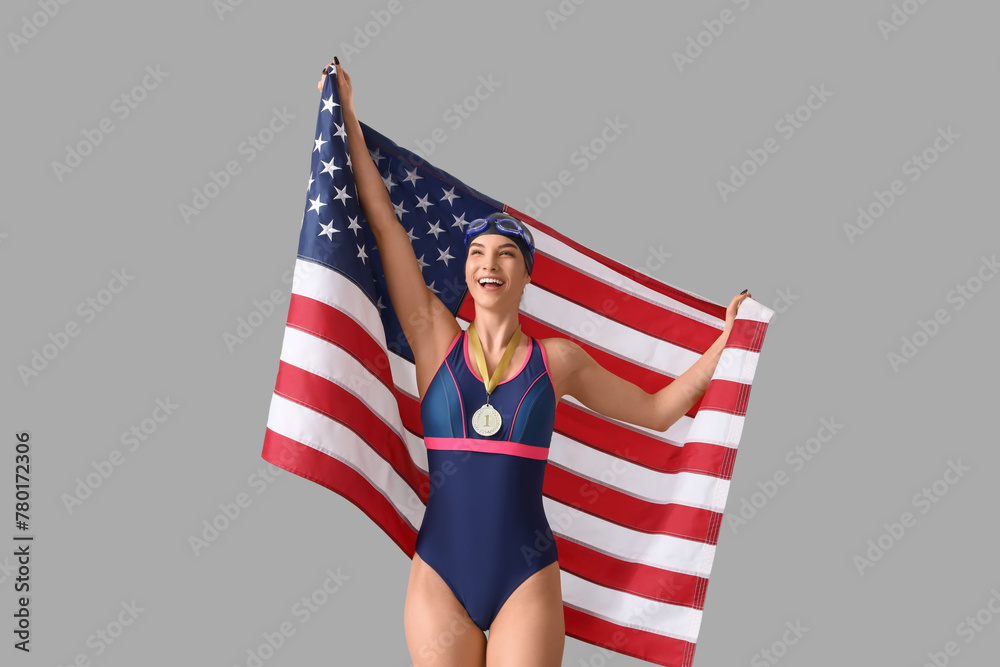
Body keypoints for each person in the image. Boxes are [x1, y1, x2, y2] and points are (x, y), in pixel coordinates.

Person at [318, 60, 753, 667]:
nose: (487, 263)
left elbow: (657, 412)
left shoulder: (559, 362)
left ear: (524, 275)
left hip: (526, 581)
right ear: (468, 271)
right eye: (476, 253)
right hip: (439, 573)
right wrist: (347, 120)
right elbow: (386, 225)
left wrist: (725, 345)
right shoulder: (433, 336)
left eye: (503, 254)